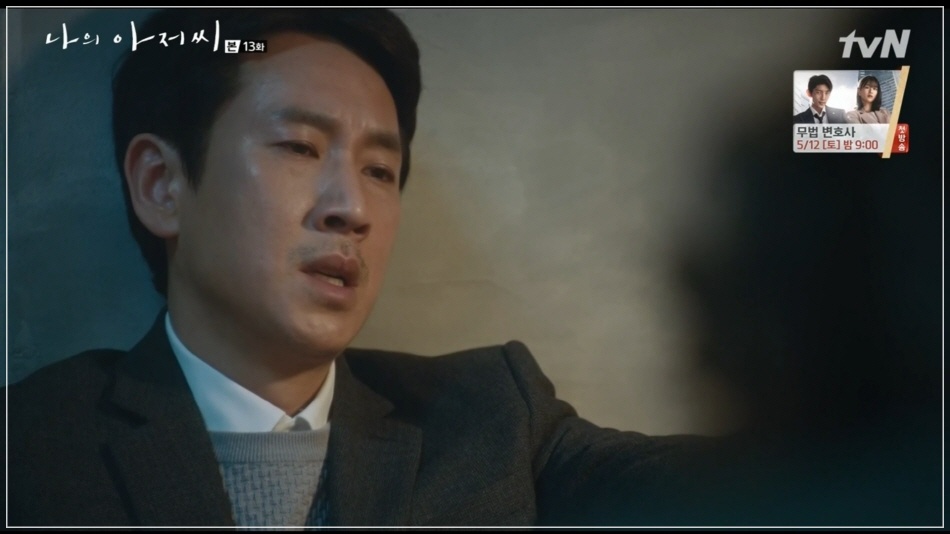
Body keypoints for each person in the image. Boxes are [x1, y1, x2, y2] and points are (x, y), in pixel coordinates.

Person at [4, 9, 716, 527]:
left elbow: (726, 490)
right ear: (162, 184)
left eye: (379, 169)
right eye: (299, 147)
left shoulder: (492, 419)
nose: (352, 209)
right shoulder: (31, 450)